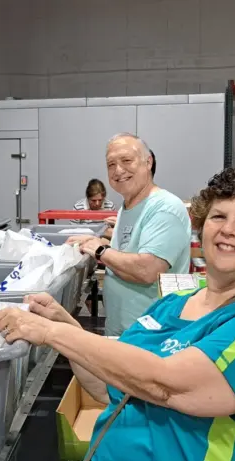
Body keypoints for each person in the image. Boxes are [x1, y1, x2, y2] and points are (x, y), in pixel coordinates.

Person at [0, 165, 235, 461]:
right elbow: (111, 386)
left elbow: (167, 386)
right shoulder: (172, 304)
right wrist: (67, 326)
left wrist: (53, 333)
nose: (228, 230)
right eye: (218, 216)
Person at [68, 133, 191, 336]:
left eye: (126, 160)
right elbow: (126, 252)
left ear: (148, 162)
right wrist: (96, 241)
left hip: (151, 336)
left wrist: (100, 250)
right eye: (111, 164)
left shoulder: (165, 207)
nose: (118, 170)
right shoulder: (127, 207)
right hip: (124, 330)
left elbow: (147, 270)